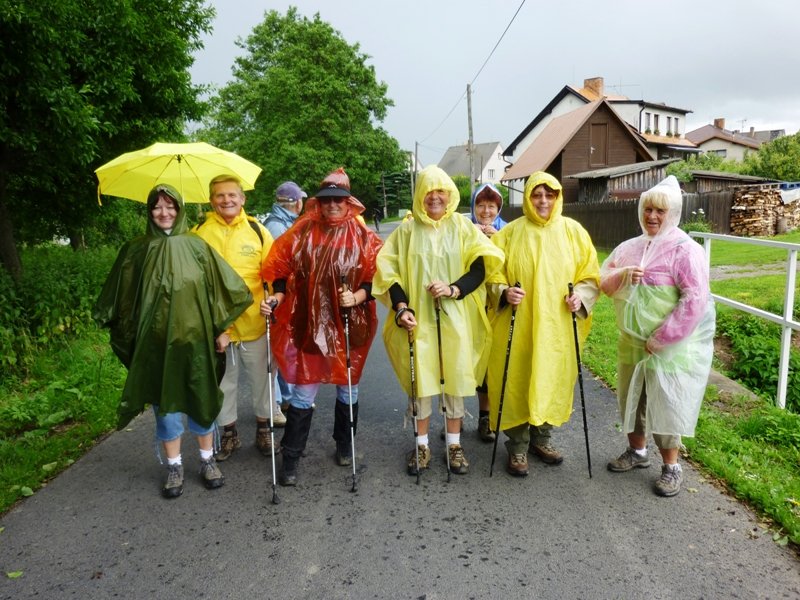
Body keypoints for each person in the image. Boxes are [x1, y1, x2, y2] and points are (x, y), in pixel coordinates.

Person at [94, 184, 252, 498]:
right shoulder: (136, 250)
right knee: (165, 406)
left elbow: (219, 291)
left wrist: (222, 329)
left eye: (170, 206)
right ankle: (174, 465)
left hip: (196, 342)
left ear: (179, 210)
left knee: (200, 397)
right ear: (149, 211)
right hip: (155, 346)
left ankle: (207, 460)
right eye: (157, 206)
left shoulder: (197, 247)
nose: (164, 213)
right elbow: (121, 299)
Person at [373, 165, 504, 476]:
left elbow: (479, 268)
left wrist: (453, 288)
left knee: (454, 379)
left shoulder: (462, 227)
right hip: (417, 319)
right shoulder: (406, 231)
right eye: (428, 190)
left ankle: (454, 445)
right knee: (421, 380)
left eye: (440, 191)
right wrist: (401, 306)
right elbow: (388, 272)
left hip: (454, 317)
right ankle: (421, 445)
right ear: (420, 194)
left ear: (449, 195)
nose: (434, 197)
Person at [261, 167, 383, 486]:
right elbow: (279, 267)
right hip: (310, 322)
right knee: (304, 389)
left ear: (348, 202)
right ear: (319, 201)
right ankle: (290, 457)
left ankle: (345, 446)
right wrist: (276, 296)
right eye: (327, 199)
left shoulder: (363, 236)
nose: (332, 205)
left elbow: (378, 277)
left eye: (339, 200)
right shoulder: (302, 232)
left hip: (348, 322)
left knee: (348, 385)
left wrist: (357, 296)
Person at [600, 175, 715, 497]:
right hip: (632, 342)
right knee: (631, 398)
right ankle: (637, 452)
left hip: (669, 347)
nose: (652, 216)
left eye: (660, 212)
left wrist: (663, 339)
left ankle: (671, 466)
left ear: (673, 214)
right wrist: (622, 275)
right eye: (648, 209)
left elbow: (695, 300)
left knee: (666, 402)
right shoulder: (630, 248)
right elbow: (603, 281)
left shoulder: (685, 251)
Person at [486, 171, 600, 477]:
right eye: (537, 194)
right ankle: (518, 445)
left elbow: (590, 276)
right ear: (527, 197)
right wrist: (504, 292)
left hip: (557, 327)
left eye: (549, 195)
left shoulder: (574, 232)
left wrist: (581, 298)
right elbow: (491, 274)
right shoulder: (509, 233)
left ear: (558, 196)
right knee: (517, 379)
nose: (543, 201)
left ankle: (542, 438)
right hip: (518, 324)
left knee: (550, 377)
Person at [193, 174, 285, 464]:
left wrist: (274, 299)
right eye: (220, 196)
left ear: (243, 199)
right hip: (217, 327)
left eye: (232, 195)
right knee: (223, 384)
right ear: (211, 200)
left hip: (255, 323)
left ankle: (264, 431)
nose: (227, 200)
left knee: (263, 381)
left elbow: (275, 273)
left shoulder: (258, 231)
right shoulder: (198, 233)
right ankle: (229, 435)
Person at [469, 182, 509, 442]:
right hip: (468, 303)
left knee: (491, 364)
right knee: (462, 361)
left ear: (498, 208)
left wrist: (497, 242)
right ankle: (453, 415)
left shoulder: (507, 231)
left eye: (491, 206)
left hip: (496, 305)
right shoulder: (463, 228)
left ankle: (488, 418)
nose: (485, 211)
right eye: (481, 205)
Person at [263, 180, 307, 412]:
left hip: (283, 294)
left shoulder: (281, 223)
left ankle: (285, 398)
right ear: (295, 202)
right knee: (281, 350)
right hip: (280, 296)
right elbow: (283, 264)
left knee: (286, 348)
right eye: (301, 199)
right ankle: (279, 404)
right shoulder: (278, 227)